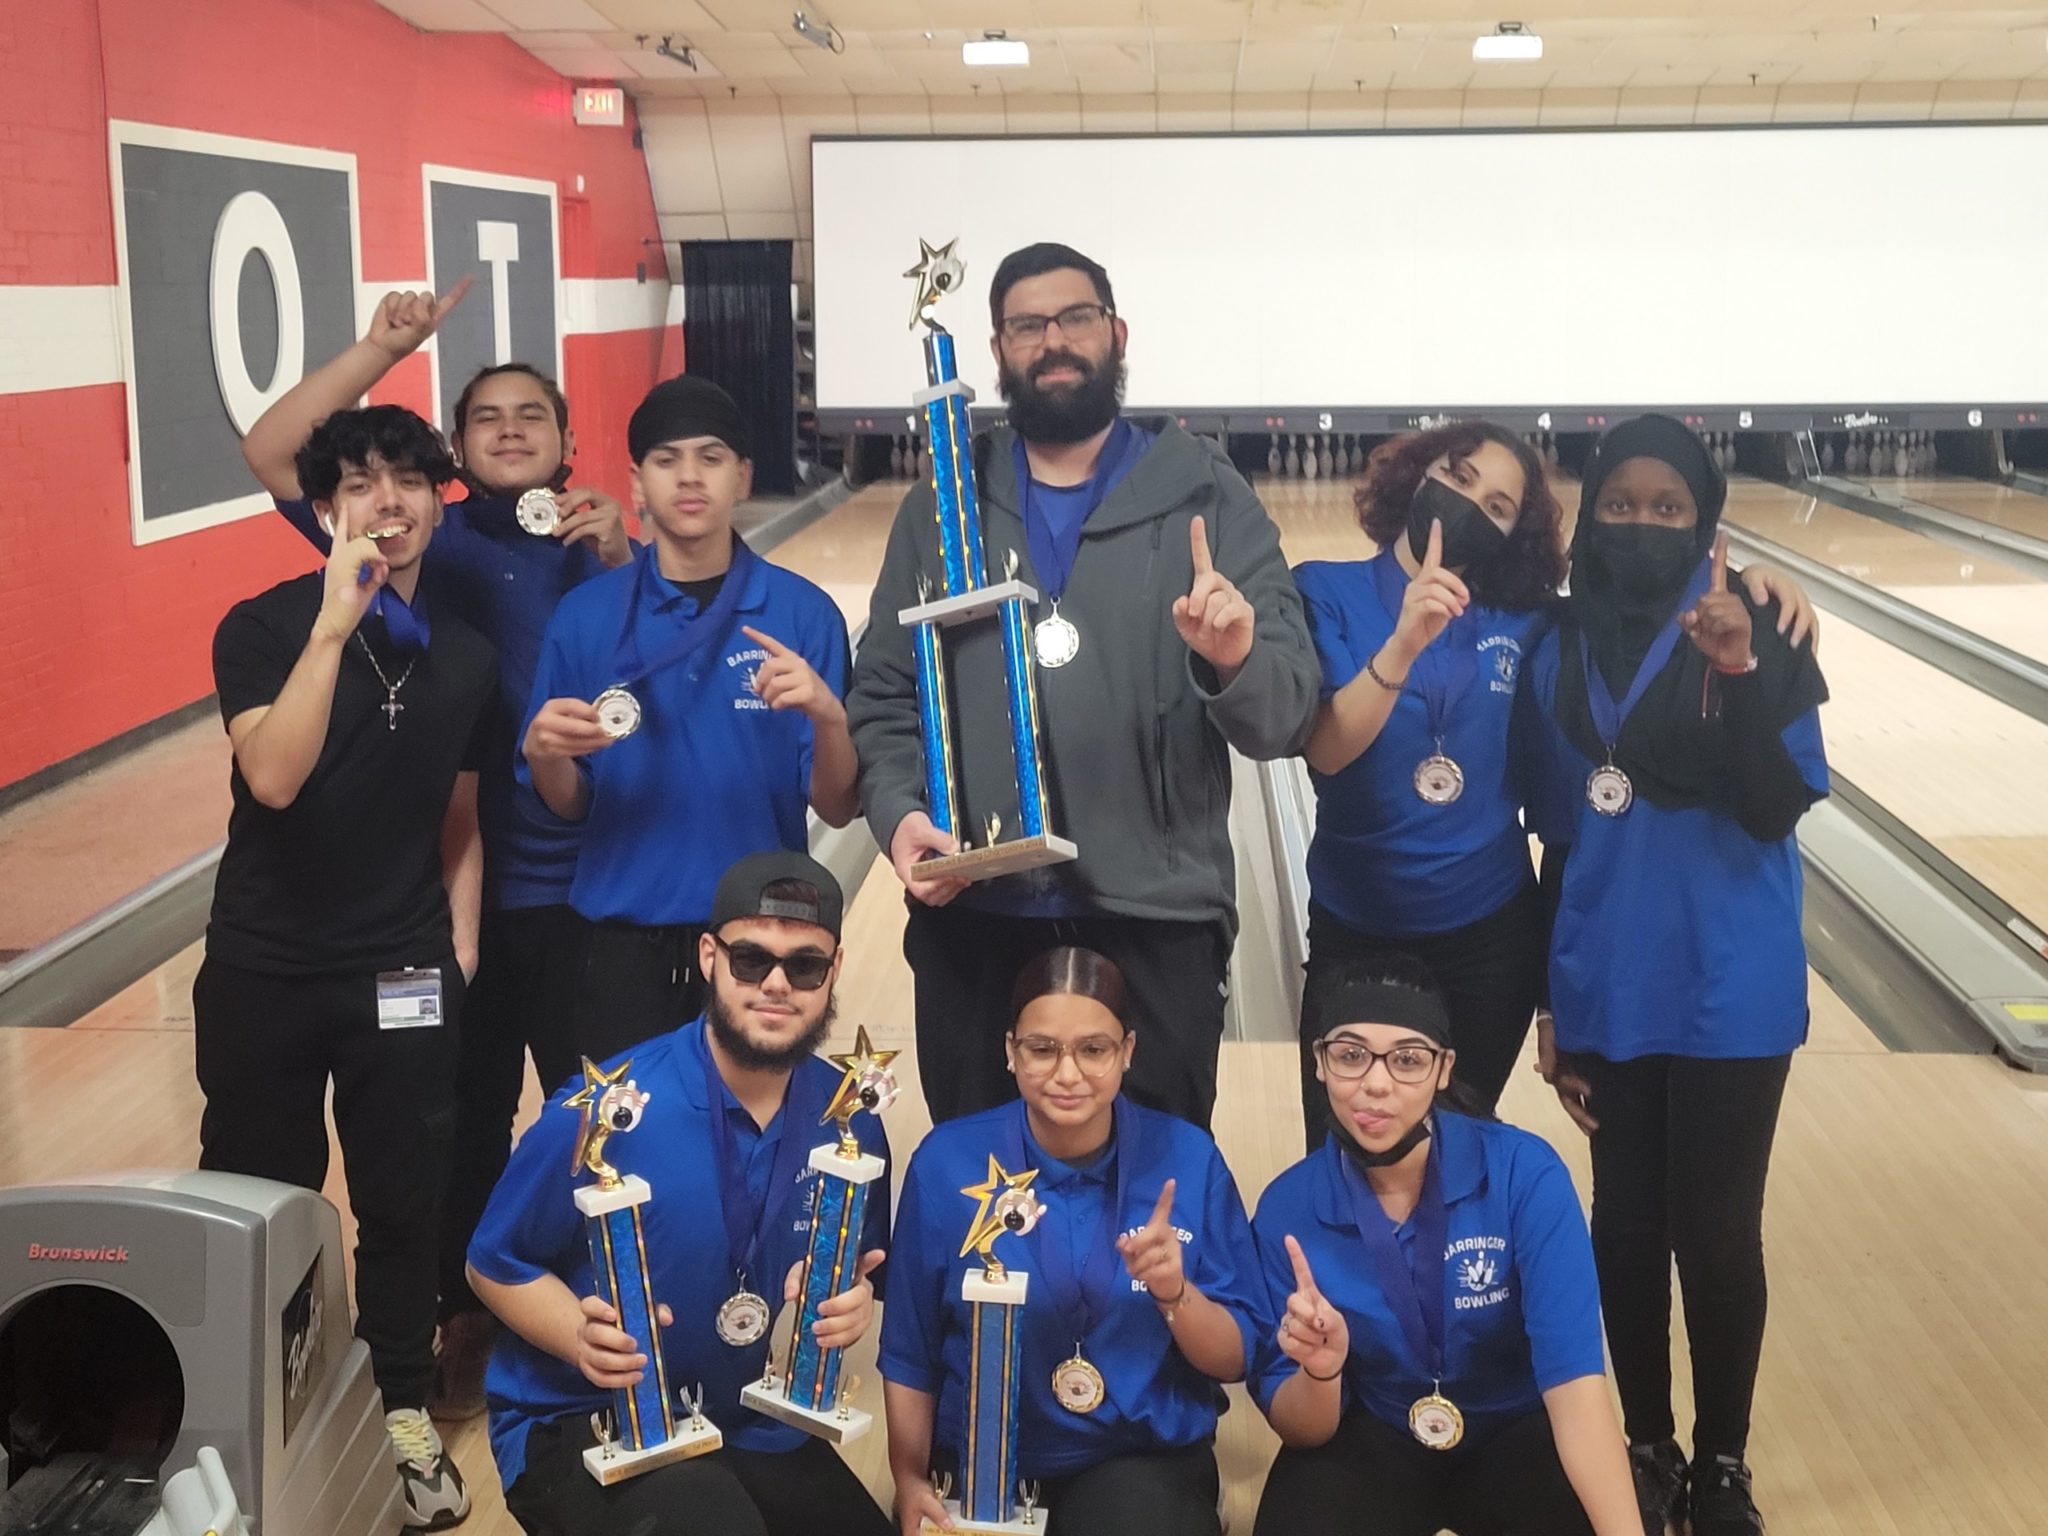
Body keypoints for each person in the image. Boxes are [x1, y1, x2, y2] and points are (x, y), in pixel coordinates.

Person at [238, 281, 636, 1418]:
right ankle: (455, 1322)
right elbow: (278, 456)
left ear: (565, 441)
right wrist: (378, 346)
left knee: (583, 1108)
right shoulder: (411, 532)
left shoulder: (597, 542)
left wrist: (619, 553)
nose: (511, 431)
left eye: (534, 417)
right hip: (438, 902)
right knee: (449, 1120)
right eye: (487, 418)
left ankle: (578, 1297)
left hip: (572, 888)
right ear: (456, 449)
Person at [849, 241, 1320, 1129]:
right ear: (997, 350)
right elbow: (883, 697)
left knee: (1152, 1216)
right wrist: (899, 813)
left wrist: (1232, 659)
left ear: (1116, 331)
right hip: (975, 918)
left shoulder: (1208, 495)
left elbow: (1285, 711)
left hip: (1155, 914)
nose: (1053, 341)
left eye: (1075, 318)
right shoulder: (940, 504)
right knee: (982, 1214)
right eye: (1028, 325)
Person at [1292, 423, 1816, 1143]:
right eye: (1458, 475)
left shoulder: (1533, 622)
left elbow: (1637, 607)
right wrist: (1405, 642)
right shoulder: (1324, 589)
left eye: (1501, 505)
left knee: (1458, 1156)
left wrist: (1758, 583)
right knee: (1340, 1157)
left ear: (1517, 532)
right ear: (1416, 474)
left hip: (1488, 938)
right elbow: (1327, 749)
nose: (1471, 503)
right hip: (1356, 925)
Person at [1519, 415, 1829, 1536]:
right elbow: (1554, 836)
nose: (1640, 524)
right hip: (1606, 974)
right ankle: (1644, 1447)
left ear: (1701, 515)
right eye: (1617, 504)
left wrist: (1738, 665)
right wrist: (1552, 1007)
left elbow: (1770, 802)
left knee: (1714, 1227)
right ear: (1589, 513)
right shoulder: (1555, 649)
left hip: (1730, 983)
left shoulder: (1765, 629)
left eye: (1666, 507)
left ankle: (1723, 1462)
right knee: (1625, 1225)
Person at [198, 404, 496, 1530]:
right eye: (361, 485)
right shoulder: (262, 626)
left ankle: (401, 1407)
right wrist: (333, 627)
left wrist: (456, 936)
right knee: (256, 1191)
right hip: (265, 968)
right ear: (324, 510)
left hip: (402, 971)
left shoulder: (466, 654)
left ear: (437, 497)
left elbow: (459, 808)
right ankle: (247, 1412)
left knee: (404, 1199)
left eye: (410, 481)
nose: (388, 503)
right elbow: (272, 777)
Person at [466, 850, 892, 1536]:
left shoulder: (851, 1120)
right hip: (587, 1419)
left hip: (742, 1416)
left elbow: (861, 1263)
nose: (776, 985)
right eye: (750, 959)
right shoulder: (607, 1113)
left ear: (835, 970)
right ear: (708, 956)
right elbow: (490, 1264)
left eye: (805, 965)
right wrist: (578, 1336)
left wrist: (851, 1302)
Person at [519, 375, 856, 1059]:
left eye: (710, 457)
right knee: (624, 1159)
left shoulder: (802, 614)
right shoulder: (585, 617)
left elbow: (839, 805)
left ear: (742, 476)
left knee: (757, 1151)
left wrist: (829, 719)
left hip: (762, 947)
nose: (690, 476)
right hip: (618, 946)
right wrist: (545, 754)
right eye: (667, 460)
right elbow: (568, 803)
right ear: (638, 483)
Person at [882, 946, 1267, 1536]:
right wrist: (909, 1480)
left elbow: (1237, 1358)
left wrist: (1175, 1294)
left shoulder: (1188, 1161)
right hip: (982, 1466)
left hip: (1135, 1458)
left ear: (1127, 1052)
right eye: (1042, 1049)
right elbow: (912, 1349)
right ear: (1010, 1052)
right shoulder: (945, 1164)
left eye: (1094, 1049)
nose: (1068, 1074)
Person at [1248, 957, 1640, 1536]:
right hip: (1372, 1429)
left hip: (1517, 1431)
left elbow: (1578, 1395)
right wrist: (1322, 1374)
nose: (1376, 1083)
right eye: (1351, 1055)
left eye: (1408, 1060)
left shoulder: (1524, 1177)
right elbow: (1304, 1430)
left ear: (1443, 1069)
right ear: (1319, 1062)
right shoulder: (1287, 1209)